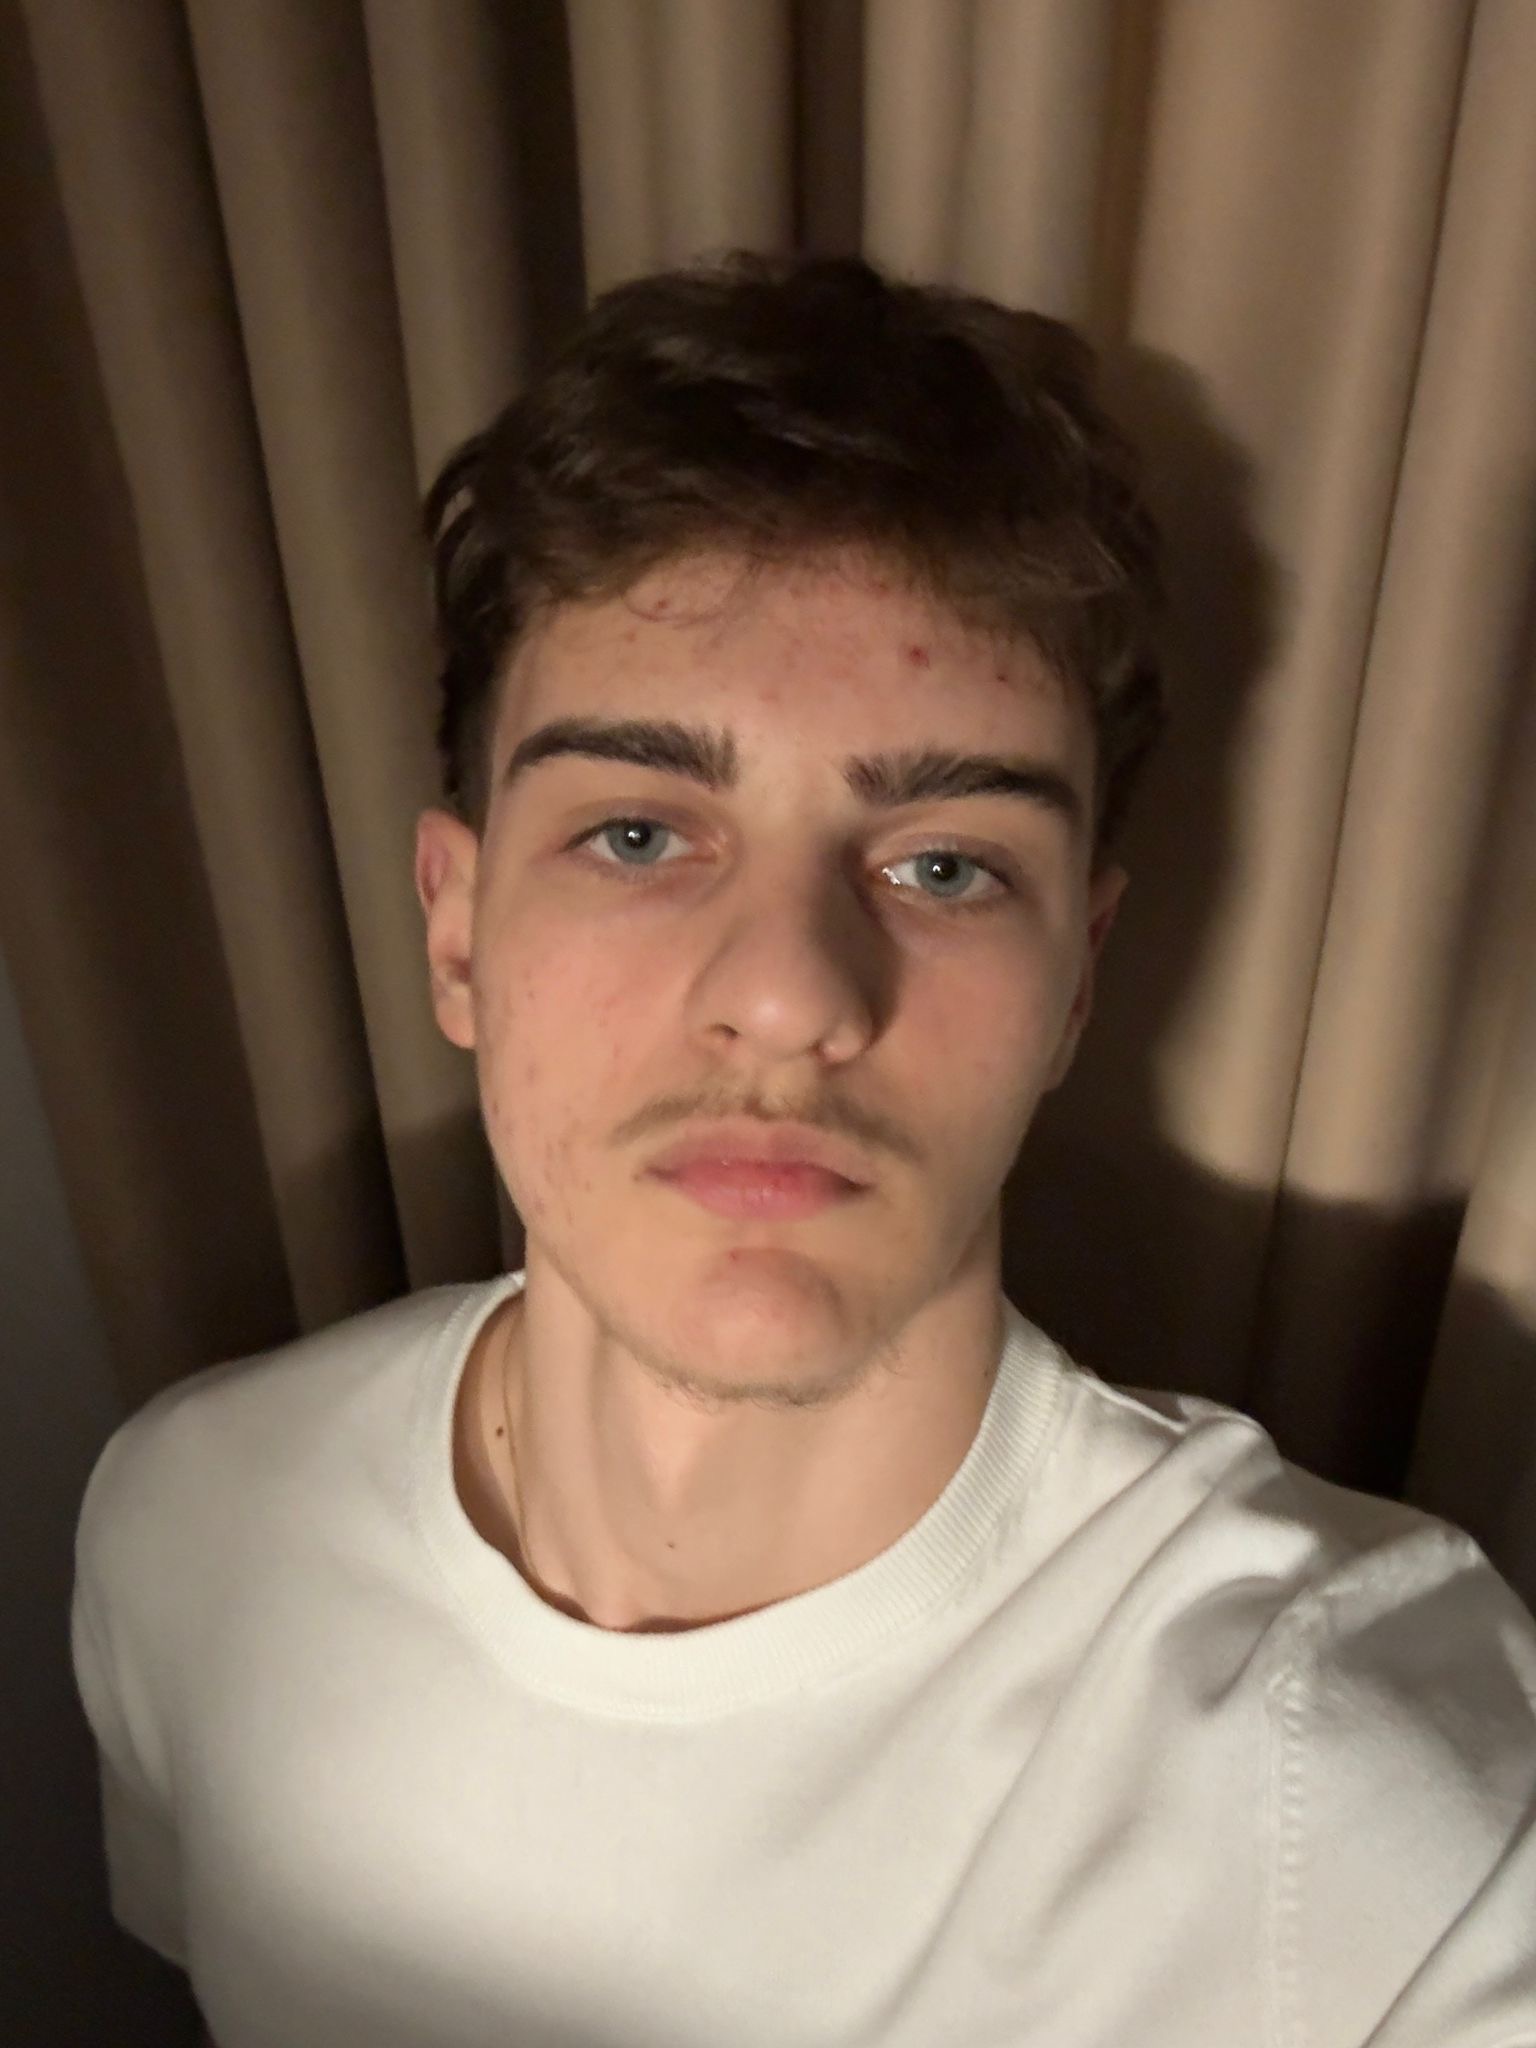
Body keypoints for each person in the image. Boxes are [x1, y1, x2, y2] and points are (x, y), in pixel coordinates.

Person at [72, 252, 1536, 2048]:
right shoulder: (187, 1530)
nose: (786, 996)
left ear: (1077, 981)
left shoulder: (1359, 1809)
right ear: (457, 933)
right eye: (636, 834)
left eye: (945, 865)